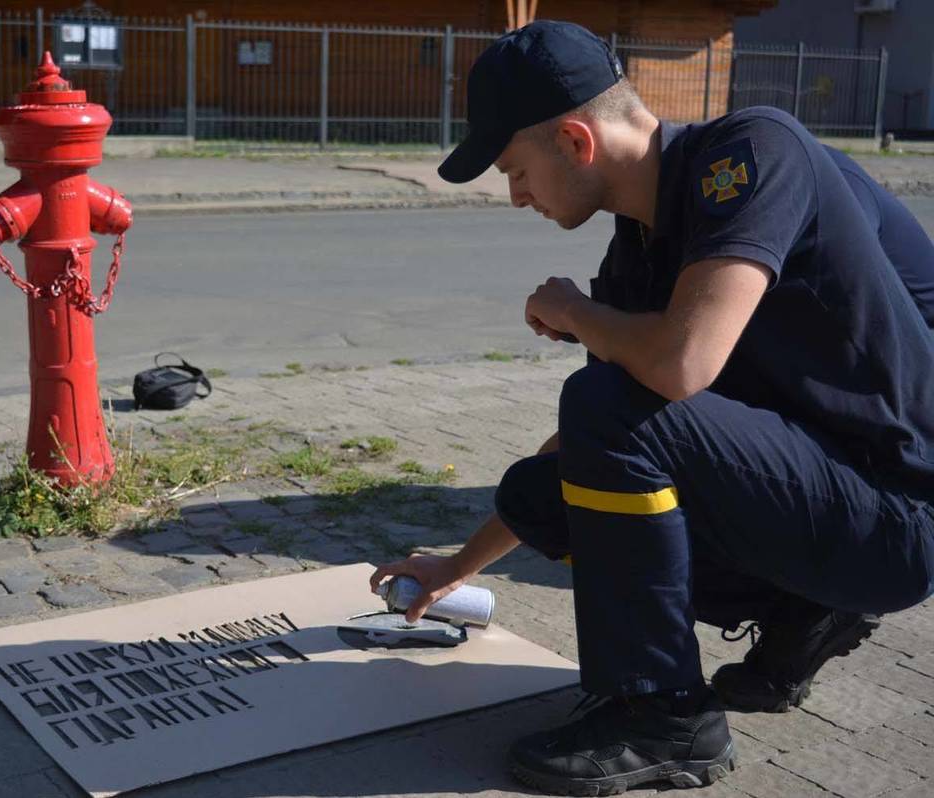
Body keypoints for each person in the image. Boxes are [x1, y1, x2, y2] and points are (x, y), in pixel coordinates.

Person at [369, 20, 934, 796]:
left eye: (516, 169)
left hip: (898, 517)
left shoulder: (749, 155)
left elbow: (679, 364)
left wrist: (573, 310)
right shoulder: (637, 248)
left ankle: (663, 714)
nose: (516, 195)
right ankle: (803, 609)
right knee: (547, 491)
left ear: (574, 139)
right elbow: (597, 441)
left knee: (602, 400)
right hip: (825, 495)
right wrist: (453, 566)